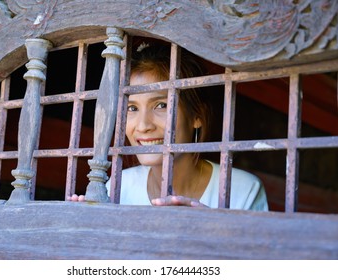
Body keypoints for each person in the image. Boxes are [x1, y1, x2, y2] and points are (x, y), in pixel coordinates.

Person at [69, 41, 268, 211]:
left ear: (196, 115)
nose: (143, 125)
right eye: (132, 108)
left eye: (161, 105)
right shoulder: (119, 186)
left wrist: (211, 229)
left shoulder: (242, 191)